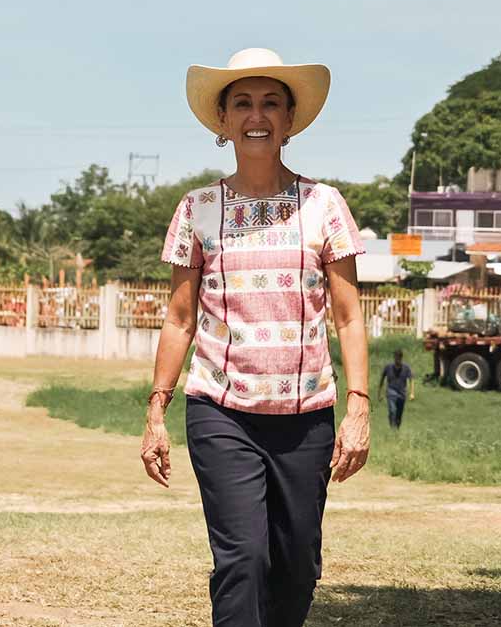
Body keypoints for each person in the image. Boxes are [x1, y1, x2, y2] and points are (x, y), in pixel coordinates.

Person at [140, 48, 371, 627]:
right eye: (241, 103)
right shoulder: (197, 210)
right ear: (222, 122)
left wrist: (358, 407)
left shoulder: (325, 205)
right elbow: (179, 319)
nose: (256, 114)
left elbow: (347, 316)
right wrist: (155, 410)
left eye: (271, 102)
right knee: (241, 557)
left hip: (306, 417)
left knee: (297, 565)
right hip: (221, 411)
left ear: (291, 120)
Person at [379, 349, 414, 429]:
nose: (397, 359)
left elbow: (411, 380)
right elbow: (382, 379)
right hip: (391, 391)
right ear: (394, 357)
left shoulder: (406, 368)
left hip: (402, 393)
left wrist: (412, 393)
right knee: (392, 410)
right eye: (396, 357)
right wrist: (379, 393)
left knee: (399, 412)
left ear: (401, 358)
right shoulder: (388, 367)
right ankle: (392, 426)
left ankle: (397, 427)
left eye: (399, 358)